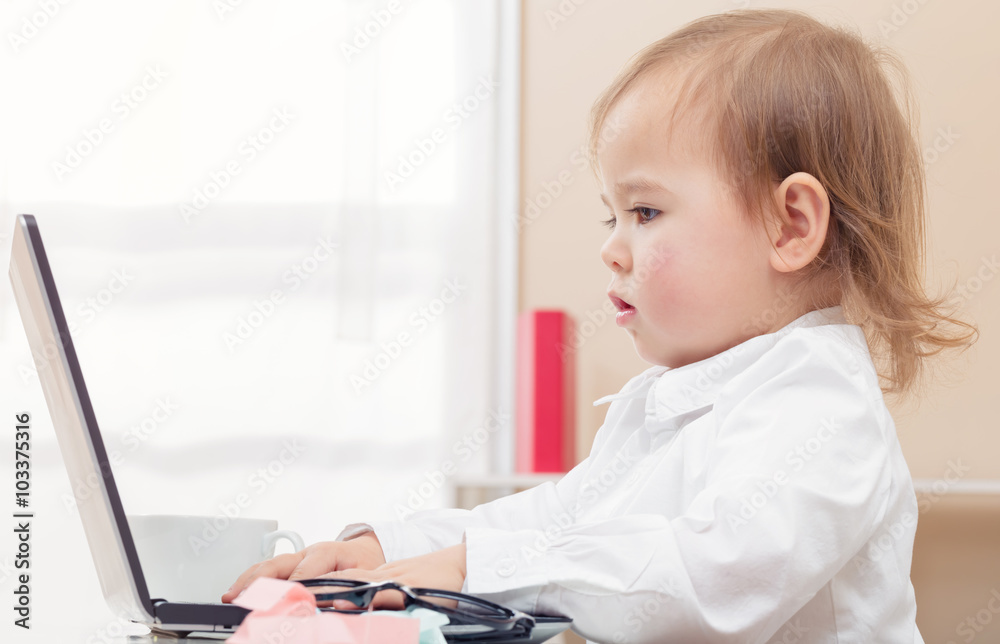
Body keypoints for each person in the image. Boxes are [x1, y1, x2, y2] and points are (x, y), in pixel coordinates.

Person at [222, 9, 976, 643]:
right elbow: (556, 516)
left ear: (791, 226)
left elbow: (710, 580)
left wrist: (471, 569)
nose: (611, 248)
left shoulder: (819, 401)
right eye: (612, 215)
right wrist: (388, 545)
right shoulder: (672, 403)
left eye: (644, 212)